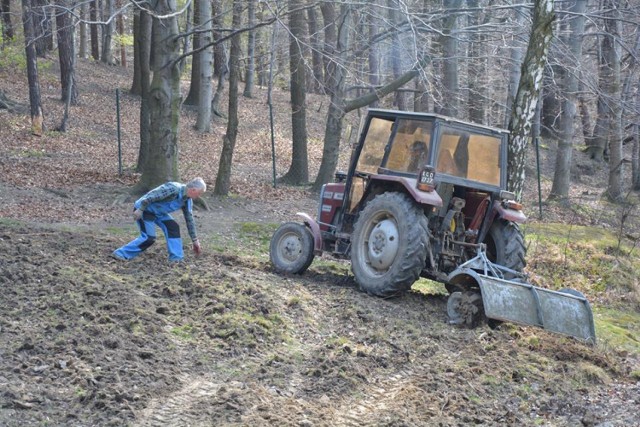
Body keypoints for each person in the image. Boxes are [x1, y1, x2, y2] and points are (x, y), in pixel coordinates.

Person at [112, 178, 207, 262]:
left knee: (173, 227)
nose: (199, 196)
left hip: (159, 213)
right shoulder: (173, 189)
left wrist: (195, 240)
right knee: (149, 238)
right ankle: (121, 253)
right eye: (199, 193)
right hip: (145, 210)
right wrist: (140, 209)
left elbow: (189, 219)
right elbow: (150, 197)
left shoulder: (187, 200)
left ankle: (176, 259)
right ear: (193, 190)